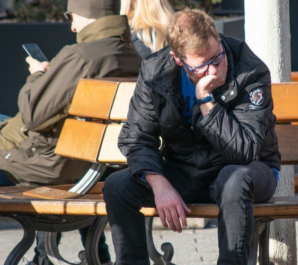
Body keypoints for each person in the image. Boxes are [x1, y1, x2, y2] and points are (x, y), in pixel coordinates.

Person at [103, 9, 281, 265]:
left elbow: (245, 151)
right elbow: (137, 138)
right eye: (201, 65)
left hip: (249, 171)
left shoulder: (249, 70)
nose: (213, 69)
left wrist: (206, 99)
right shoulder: (155, 71)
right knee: (117, 186)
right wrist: (159, 183)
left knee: (234, 179)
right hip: (184, 170)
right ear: (177, 59)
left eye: (217, 57)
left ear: (217, 38)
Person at [0, 0, 142, 264]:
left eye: (72, 16)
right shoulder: (132, 55)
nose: (73, 26)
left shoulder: (80, 56)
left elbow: (32, 115)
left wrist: (37, 76)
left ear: (88, 16)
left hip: (43, 165)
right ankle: (96, 255)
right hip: (84, 164)